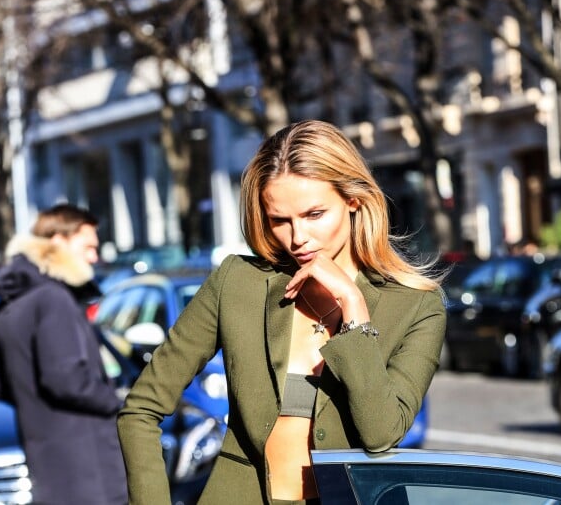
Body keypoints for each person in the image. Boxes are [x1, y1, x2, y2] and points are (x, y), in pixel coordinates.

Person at [118, 120, 446, 505]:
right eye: (280, 220)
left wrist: (353, 309)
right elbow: (140, 409)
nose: (297, 238)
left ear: (353, 200)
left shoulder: (417, 306)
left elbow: (381, 433)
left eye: (314, 214)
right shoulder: (238, 283)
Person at [0, 204, 127, 505]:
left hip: (48, 465)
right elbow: (65, 379)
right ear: (57, 242)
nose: (94, 256)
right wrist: (117, 402)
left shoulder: (11, 303)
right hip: (88, 470)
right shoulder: (53, 299)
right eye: (88, 246)